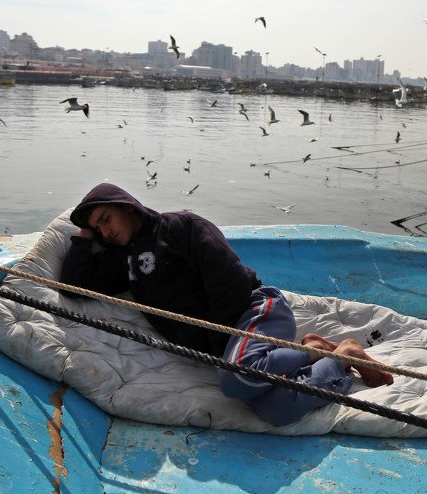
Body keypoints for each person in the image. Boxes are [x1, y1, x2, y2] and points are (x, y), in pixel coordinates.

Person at [59, 182, 392, 426]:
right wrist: (82, 234)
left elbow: (228, 277)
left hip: (254, 313)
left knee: (236, 378)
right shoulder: (125, 263)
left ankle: (311, 353)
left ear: (126, 205)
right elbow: (75, 286)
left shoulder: (180, 227)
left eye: (105, 218)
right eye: (97, 229)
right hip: (229, 346)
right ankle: (341, 357)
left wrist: (219, 345)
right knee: (280, 410)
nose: (105, 232)